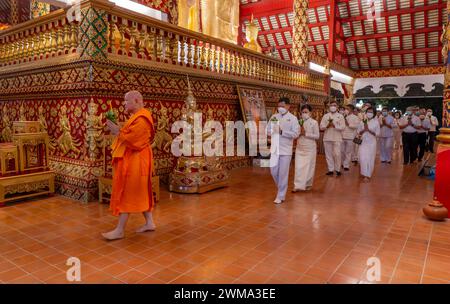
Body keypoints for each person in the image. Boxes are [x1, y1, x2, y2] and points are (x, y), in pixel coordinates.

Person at [103, 91, 156, 240]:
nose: (123, 103)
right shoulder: (136, 117)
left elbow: (133, 140)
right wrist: (117, 129)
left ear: (136, 100)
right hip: (135, 158)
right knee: (140, 191)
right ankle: (150, 222)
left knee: (128, 191)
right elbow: (128, 134)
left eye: (126, 101)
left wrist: (116, 130)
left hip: (137, 159)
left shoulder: (143, 118)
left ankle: (120, 230)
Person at [268, 97, 300, 204]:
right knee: (273, 171)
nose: (280, 108)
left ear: (288, 106)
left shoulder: (293, 118)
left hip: (286, 150)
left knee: (283, 173)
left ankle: (281, 195)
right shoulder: (274, 117)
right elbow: (268, 130)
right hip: (274, 149)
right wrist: (271, 131)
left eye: (282, 106)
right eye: (279, 106)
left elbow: (296, 134)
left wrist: (282, 132)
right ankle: (281, 188)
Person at [292, 104, 320, 193]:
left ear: (310, 113)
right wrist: (298, 134)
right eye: (303, 112)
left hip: (310, 147)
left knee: (309, 167)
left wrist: (306, 133)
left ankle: (308, 184)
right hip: (300, 147)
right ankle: (297, 186)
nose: (304, 114)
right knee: (298, 167)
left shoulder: (314, 122)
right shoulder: (298, 121)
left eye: (306, 112)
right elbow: (295, 134)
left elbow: (317, 136)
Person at [320, 101, 345, 176]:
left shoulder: (340, 116)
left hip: (337, 137)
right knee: (328, 154)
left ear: (337, 107)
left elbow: (343, 127)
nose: (332, 107)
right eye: (331, 105)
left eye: (334, 105)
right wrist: (327, 126)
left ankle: (337, 169)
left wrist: (335, 126)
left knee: (337, 154)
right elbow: (321, 127)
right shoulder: (326, 116)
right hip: (327, 137)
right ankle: (330, 169)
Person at [357, 106, 380, 182]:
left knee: (370, 158)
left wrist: (369, 130)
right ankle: (364, 172)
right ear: (366, 113)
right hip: (363, 142)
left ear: (374, 113)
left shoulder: (376, 122)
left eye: (371, 112)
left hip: (371, 142)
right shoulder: (362, 121)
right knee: (362, 158)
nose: (369, 113)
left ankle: (367, 175)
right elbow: (358, 132)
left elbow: (378, 134)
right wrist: (364, 130)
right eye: (368, 112)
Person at [341, 104, 360, 171]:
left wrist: (348, 124)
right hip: (342, 136)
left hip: (350, 137)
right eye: (345, 109)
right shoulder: (342, 116)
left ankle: (346, 165)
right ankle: (342, 163)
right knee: (342, 151)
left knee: (348, 152)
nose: (346, 110)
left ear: (351, 110)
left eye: (347, 109)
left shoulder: (355, 117)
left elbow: (356, 126)